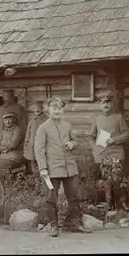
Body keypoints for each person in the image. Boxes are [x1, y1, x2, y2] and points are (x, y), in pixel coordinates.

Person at [34, 97, 92, 237]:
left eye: (59, 108)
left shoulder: (67, 125)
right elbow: (39, 149)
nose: (57, 110)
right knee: (51, 198)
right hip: (52, 169)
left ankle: (76, 223)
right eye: (54, 108)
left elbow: (75, 140)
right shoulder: (43, 128)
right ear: (48, 110)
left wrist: (72, 144)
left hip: (69, 167)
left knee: (74, 196)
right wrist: (42, 168)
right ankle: (54, 226)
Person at [89, 91, 129, 210]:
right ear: (100, 105)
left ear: (111, 104)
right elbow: (91, 136)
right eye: (103, 102)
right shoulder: (96, 119)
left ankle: (122, 203)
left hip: (116, 151)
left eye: (108, 102)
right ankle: (108, 203)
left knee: (118, 177)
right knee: (106, 178)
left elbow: (127, 134)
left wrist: (115, 139)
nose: (105, 105)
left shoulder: (118, 117)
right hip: (102, 153)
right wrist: (95, 148)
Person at [0, 112, 24, 185]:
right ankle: (3, 179)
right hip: (3, 156)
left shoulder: (17, 129)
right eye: (6, 120)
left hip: (15, 156)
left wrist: (2, 142)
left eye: (10, 119)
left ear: (14, 120)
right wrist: (7, 144)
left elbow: (13, 145)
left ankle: (6, 188)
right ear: (3, 121)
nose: (8, 121)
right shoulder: (2, 131)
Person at [23, 101, 48, 173]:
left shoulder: (47, 120)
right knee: (34, 169)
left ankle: (44, 183)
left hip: (44, 149)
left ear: (42, 108)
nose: (37, 110)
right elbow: (27, 137)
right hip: (32, 149)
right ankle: (37, 183)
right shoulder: (32, 121)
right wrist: (26, 149)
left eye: (39, 108)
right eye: (35, 108)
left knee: (44, 168)